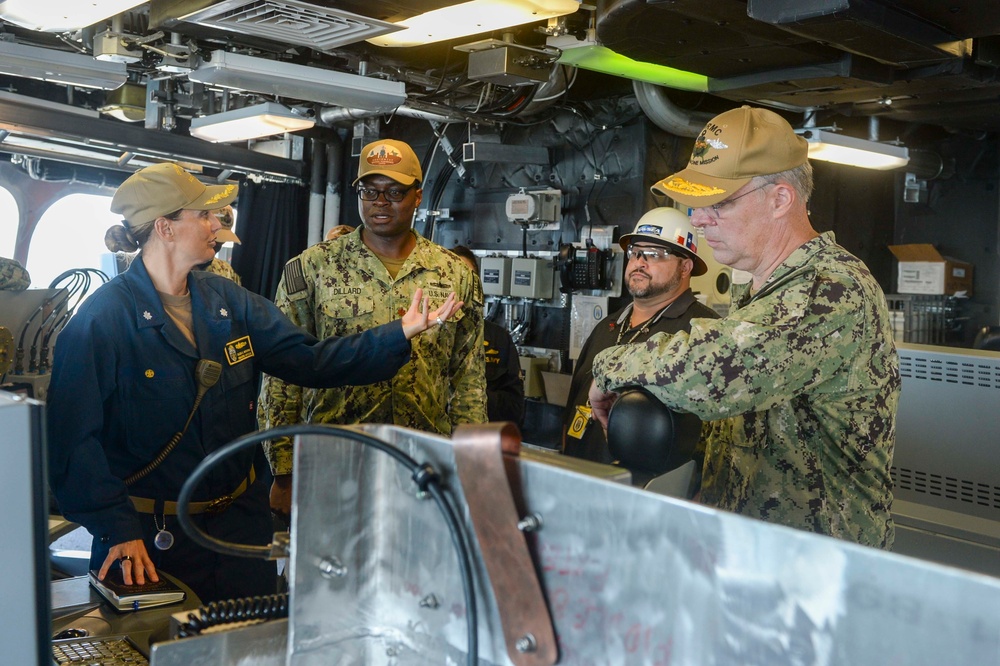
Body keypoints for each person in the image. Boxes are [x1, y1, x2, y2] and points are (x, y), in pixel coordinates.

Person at [46, 162, 461, 603]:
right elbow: (73, 443)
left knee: (249, 643)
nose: (216, 225)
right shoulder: (102, 320)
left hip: (240, 527)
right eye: (202, 215)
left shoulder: (226, 300)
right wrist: (117, 529)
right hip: (151, 537)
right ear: (165, 228)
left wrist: (398, 333)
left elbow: (310, 361)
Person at [588, 105, 900, 549]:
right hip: (754, 553)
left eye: (718, 203)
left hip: (819, 569)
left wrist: (610, 367)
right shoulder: (761, 290)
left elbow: (713, 372)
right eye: (695, 204)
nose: (698, 219)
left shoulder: (829, 289)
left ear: (779, 199)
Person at [258, 138, 486, 518]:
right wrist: (283, 471)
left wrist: (470, 461)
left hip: (423, 462)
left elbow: (468, 379)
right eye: (369, 191)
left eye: (395, 191)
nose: (380, 202)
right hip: (334, 458)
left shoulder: (455, 273)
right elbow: (283, 372)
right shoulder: (313, 268)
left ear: (418, 196)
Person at [563, 207, 718, 465]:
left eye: (654, 255)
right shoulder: (608, 326)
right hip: (581, 477)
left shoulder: (702, 330)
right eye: (635, 253)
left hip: (649, 491)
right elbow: (574, 403)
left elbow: (716, 435)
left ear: (685, 267)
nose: (639, 263)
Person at [451, 244, 525, 426]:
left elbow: (516, 409)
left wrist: (472, 395)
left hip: (479, 440)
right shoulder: (423, 333)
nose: (463, 283)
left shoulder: (498, 339)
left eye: (468, 276)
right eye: (453, 275)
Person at [200, 204, 241, 284]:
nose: (215, 248)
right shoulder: (178, 272)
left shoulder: (225, 271)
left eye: (220, 243)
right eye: (212, 242)